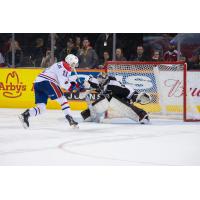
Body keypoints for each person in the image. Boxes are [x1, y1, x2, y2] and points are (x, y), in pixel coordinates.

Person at [19, 54, 84, 129]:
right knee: (62, 99)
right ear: (69, 62)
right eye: (73, 64)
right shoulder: (65, 67)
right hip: (47, 82)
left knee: (41, 108)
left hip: (37, 83)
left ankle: (25, 115)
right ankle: (70, 119)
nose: (74, 66)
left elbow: (65, 80)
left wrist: (76, 85)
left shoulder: (61, 64)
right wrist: (75, 88)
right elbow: (63, 83)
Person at [80, 73, 151, 124]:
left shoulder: (114, 84)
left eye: (102, 80)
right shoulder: (96, 82)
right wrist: (84, 86)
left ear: (107, 80)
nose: (100, 82)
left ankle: (142, 115)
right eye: (99, 80)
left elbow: (128, 89)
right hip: (108, 99)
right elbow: (88, 78)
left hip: (121, 99)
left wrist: (135, 96)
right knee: (104, 100)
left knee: (113, 101)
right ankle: (89, 115)